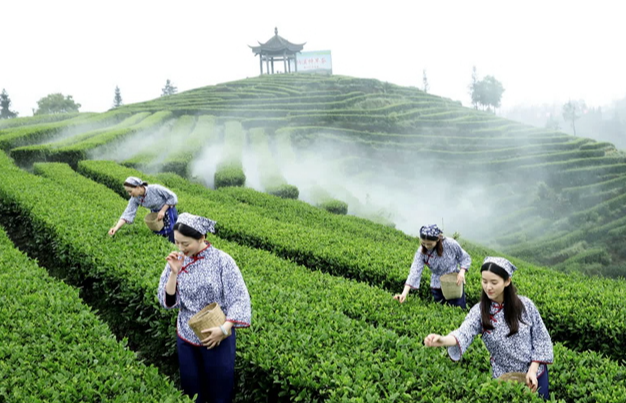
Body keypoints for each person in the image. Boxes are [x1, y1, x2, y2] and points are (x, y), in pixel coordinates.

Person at [423, 257, 553, 400]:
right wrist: (442, 340)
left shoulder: (526, 305)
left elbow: (541, 338)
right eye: (484, 281)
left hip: (535, 375)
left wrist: (533, 370)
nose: (488, 287)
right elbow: (463, 332)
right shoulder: (480, 311)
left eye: (494, 282)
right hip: (504, 379)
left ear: (507, 281)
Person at [158, 213, 251, 403]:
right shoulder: (177, 260)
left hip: (218, 334)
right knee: (192, 388)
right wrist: (174, 273)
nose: (181, 248)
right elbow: (167, 301)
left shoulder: (222, 261)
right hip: (187, 333)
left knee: (220, 388)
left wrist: (224, 329)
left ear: (202, 238)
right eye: (177, 242)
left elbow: (239, 297)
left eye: (186, 244)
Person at [394, 224, 471, 308]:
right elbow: (415, 271)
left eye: (429, 244)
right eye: (424, 243)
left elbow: (464, 257)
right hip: (437, 285)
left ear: (438, 239)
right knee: (441, 310)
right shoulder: (421, 252)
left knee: (458, 309)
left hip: (454, 282)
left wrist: (462, 272)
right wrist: (404, 293)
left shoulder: (450, 244)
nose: (426, 246)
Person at [108, 176, 179, 243]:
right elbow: (128, 212)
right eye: (128, 192)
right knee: (158, 231)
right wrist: (116, 228)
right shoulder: (135, 198)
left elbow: (172, 197)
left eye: (130, 191)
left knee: (171, 232)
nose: (129, 194)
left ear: (138, 187)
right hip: (155, 212)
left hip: (168, 210)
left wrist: (163, 210)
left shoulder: (155, 189)